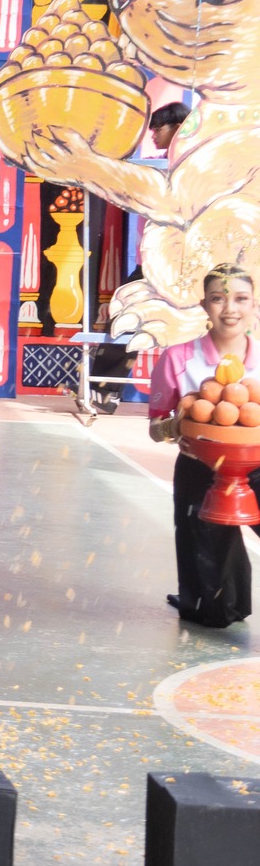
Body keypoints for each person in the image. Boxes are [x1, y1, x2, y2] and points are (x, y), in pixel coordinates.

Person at [149, 266, 260, 627]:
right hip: (201, 468)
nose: (230, 308)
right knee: (210, 609)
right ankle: (213, 601)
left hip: (257, 464)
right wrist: (179, 425)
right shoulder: (178, 358)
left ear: (254, 304)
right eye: (218, 298)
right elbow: (154, 429)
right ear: (204, 305)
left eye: (241, 298)